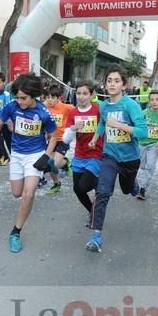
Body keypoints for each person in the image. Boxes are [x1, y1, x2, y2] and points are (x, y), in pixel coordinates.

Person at [0, 72, 57, 253]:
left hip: (35, 155)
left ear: (34, 96)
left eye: (24, 98)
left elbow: (53, 136)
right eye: (17, 97)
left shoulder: (43, 113)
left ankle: (15, 232)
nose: (20, 101)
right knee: (17, 193)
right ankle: (50, 168)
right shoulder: (12, 106)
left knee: (28, 193)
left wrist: (46, 156)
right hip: (16, 155)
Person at [86, 64, 148, 252]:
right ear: (105, 84)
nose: (112, 84)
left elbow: (143, 132)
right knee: (102, 191)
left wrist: (121, 125)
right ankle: (96, 235)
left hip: (130, 159)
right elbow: (103, 123)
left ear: (124, 85)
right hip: (110, 156)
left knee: (127, 189)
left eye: (116, 81)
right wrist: (96, 138)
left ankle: (134, 186)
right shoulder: (104, 106)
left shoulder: (131, 105)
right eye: (109, 81)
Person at [63, 81, 103, 225]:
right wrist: (73, 128)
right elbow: (66, 139)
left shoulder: (98, 110)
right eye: (78, 93)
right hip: (79, 155)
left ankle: (100, 182)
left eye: (85, 93)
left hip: (95, 154)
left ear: (92, 95)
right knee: (77, 190)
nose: (81, 97)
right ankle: (93, 211)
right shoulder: (73, 112)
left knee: (84, 186)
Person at [43, 84, 74, 194]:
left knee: (55, 163)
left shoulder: (66, 107)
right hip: (51, 140)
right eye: (48, 97)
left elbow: (78, 111)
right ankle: (57, 184)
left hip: (62, 140)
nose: (50, 100)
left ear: (58, 97)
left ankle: (65, 163)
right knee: (50, 163)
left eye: (52, 97)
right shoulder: (45, 108)